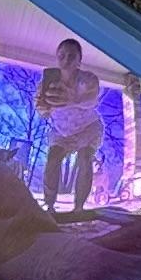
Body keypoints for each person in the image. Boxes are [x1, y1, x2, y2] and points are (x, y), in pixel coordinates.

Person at [36, 37, 106, 213]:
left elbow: (91, 100)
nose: (66, 60)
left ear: (79, 60)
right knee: (53, 159)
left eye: (71, 56)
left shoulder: (88, 79)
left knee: (84, 159)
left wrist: (73, 98)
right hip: (61, 131)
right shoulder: (47, 83)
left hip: (88, 129)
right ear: (57, 57)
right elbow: (43, 111)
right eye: (62, 55)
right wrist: (42, 107)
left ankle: (79, 207)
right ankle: (49, 205)